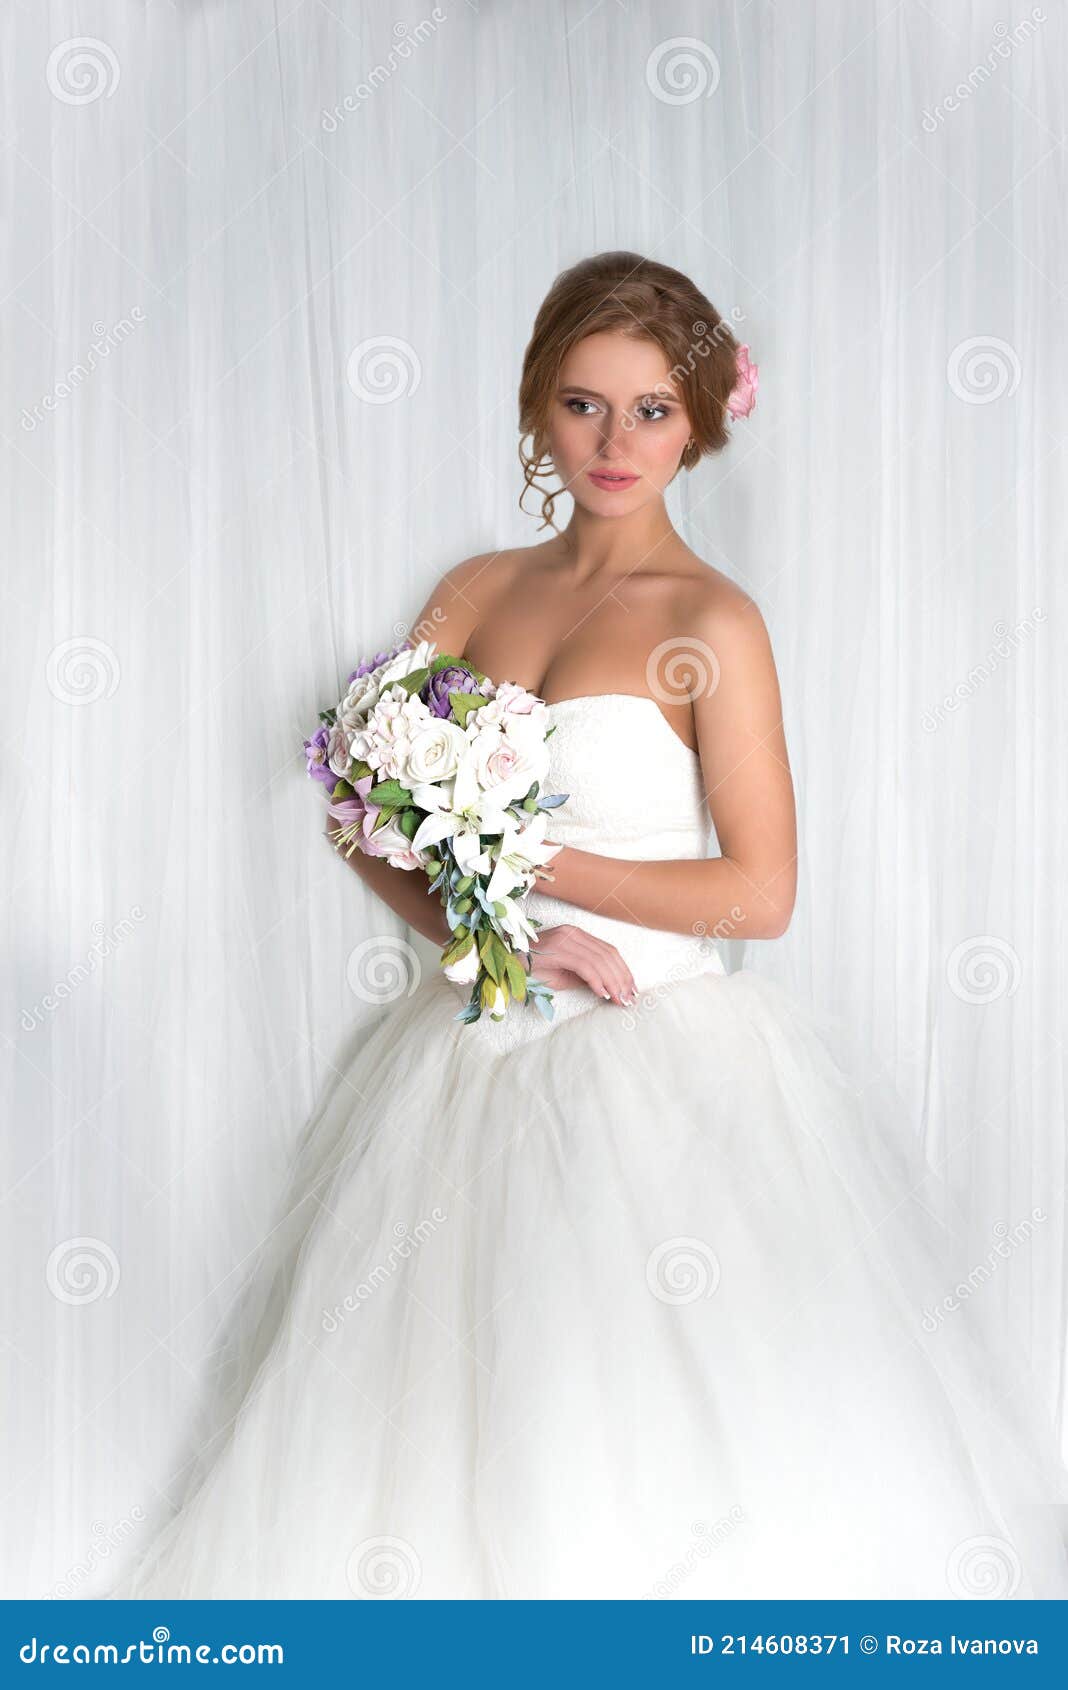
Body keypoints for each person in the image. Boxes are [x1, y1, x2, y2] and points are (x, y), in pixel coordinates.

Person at [110, 252, 1068, 1600]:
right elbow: (363, 815)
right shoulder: (475, 589)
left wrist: (548, 862)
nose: (615, 444)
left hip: (659, 1060)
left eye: (653, 410)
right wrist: (500, 930)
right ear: (534, 410)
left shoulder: (712, 621)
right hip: (474, 1038)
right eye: (583, 404)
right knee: (432, 1419)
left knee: (635, 1415)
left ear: (704, 421)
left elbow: (762, 892)